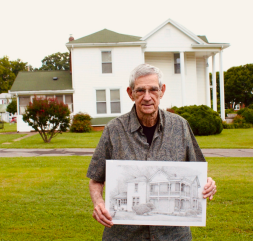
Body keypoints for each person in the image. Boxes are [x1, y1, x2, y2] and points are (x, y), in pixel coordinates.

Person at [87, 63, 217, 241]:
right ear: (130, 93)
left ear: (162, 91)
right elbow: (96, 179)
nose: (147, 97)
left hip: (173, 236)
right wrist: (98, 203)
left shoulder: (180, 126)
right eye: (140, 90)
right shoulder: (114, 130)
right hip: (124, 236)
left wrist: (208, 183)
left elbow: (198, 172)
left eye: (153, 90)